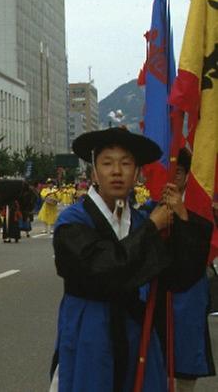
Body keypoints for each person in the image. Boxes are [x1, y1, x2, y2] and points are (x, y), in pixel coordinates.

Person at [49, 128, 213, 391]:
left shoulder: (139, 221)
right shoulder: (73, 221)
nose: (116, 171)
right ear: (94, 173)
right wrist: (150, 229)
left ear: (136, 174)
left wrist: (183, 222)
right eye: (107, 163)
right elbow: (103, 270)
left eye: (125, 163)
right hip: (90, 333)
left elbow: (179, 277)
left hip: (138, 336)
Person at [138, 148, 215, 391]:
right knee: (150, 362)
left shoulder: (199, 216)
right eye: (165, 173)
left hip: (187, 299)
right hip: (153, 295)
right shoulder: (143, 214)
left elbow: (197, 259)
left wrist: (181, 216)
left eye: (178, 173)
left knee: (185, 363)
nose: (171, 179)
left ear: (186, 175)